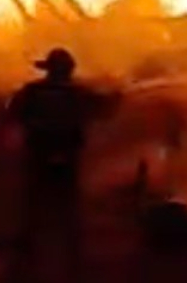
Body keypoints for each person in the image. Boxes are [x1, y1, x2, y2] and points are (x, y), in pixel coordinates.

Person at [6, 47, 114, 271]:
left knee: (34, 203)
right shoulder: (79, 93)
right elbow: (104, 110)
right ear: (68, 70)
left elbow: (12, 113)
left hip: (39, 152)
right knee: (68, 204)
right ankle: (74, 255)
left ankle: (28, 252)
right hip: (67, 153)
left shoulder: (31, 91)